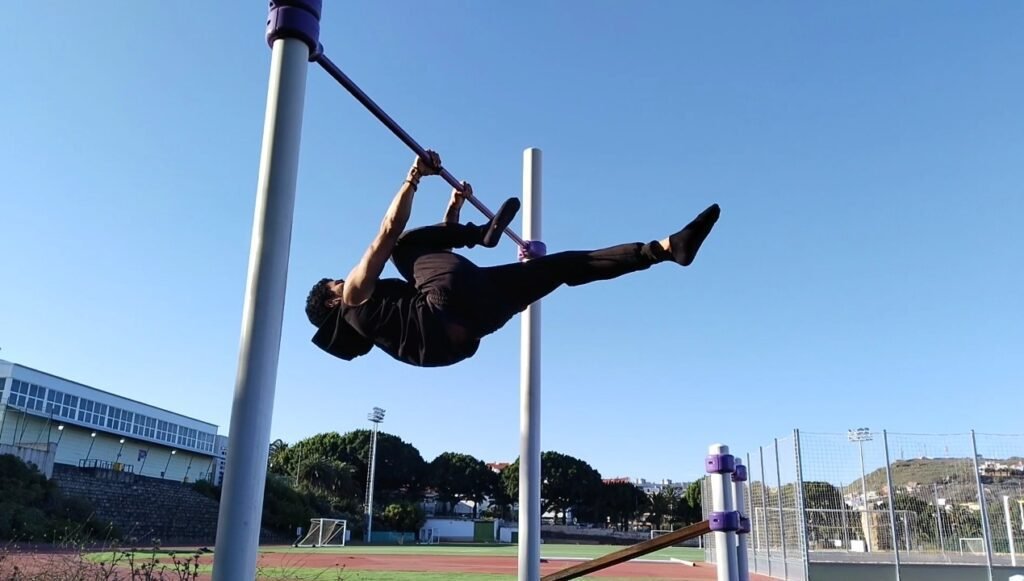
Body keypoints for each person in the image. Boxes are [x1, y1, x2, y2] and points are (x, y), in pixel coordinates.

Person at [305, 151, 721, 368]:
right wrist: (414, 176)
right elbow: (388, 232)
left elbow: (440, 268)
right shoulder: (355, 298)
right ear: (331, 301)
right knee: (397, 248)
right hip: (446, 305)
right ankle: (480, 237)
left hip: (475, 324)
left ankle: (665, 249)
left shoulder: (385, 324)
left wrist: (453, 209)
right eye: (334, 283)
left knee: (561, 266)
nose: (343, 279)